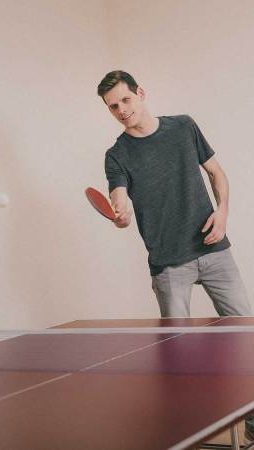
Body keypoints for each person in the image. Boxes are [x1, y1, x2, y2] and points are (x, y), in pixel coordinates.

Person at [98, 70, 254, 440]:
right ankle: (188, 433)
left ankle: (253, 425)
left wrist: (223, 210)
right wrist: (120, 213)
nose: (121, 110)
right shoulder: (116, 156)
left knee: (247, 336)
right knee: (178, 357)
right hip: (168, 264)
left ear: (141, 93)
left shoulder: (184, 127)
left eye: (125, 100)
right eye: (112, 107)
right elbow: (120, 200)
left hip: (213, 249)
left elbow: (216, 172)